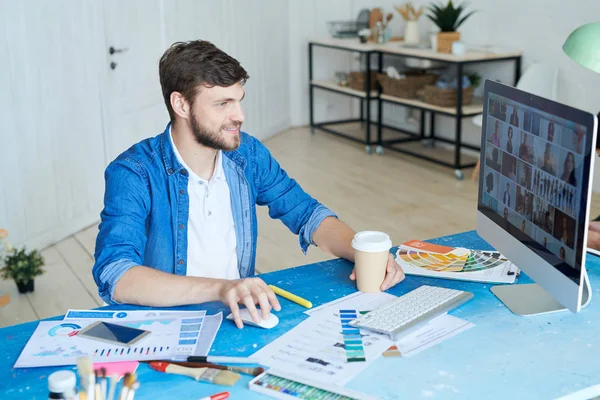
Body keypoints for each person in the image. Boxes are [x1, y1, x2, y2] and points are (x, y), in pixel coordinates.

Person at [92, 40, 405, 328]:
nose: (239, 115)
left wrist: (365, 252)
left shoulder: (247, 154)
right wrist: (221, 287)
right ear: (181, 105)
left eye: (239, 101)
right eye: (222, 103)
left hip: (240, 317)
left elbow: (307, 213)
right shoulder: (133, 172)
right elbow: (117, 274)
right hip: (166, 325)